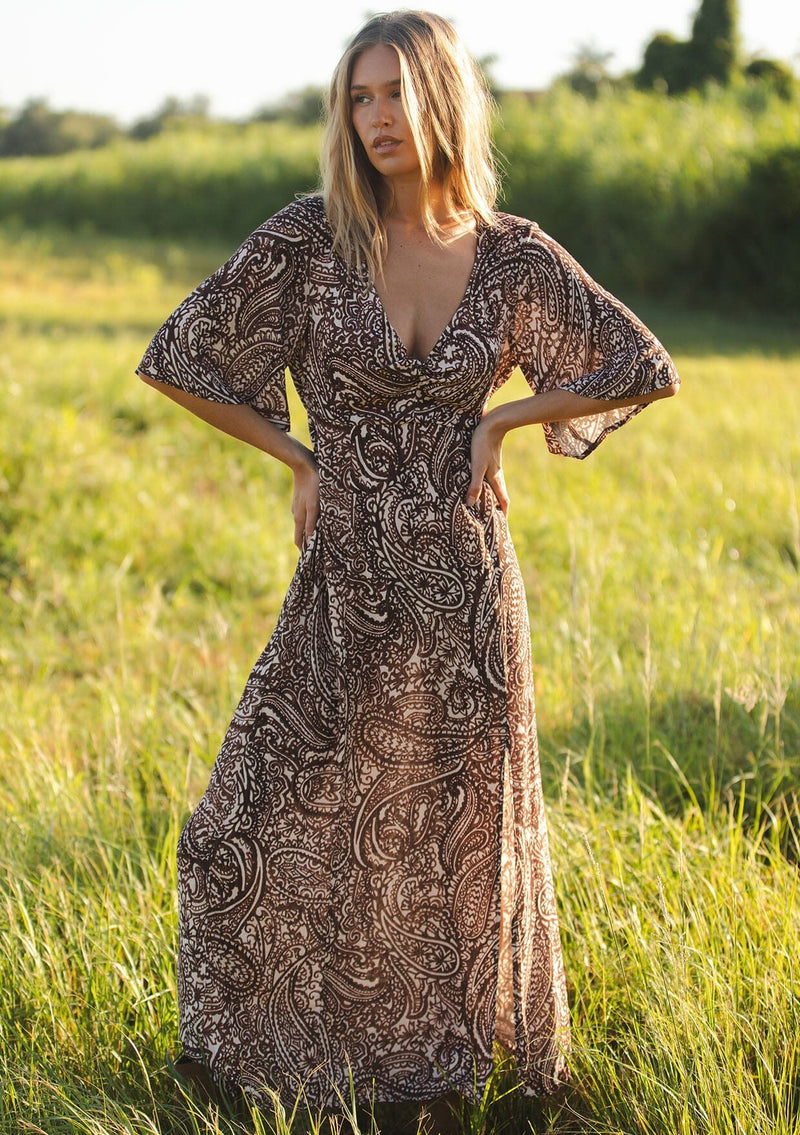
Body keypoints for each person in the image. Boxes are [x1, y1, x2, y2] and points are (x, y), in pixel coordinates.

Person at [136, 8, 680, 1128]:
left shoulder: (512, 253)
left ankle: (430, 1077)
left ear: (445, 100)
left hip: (468, 588)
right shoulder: (307, 240)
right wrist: (298, 455)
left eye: (397, 93)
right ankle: (271, 1055)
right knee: (243, 822)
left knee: (450, 838)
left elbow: (639, 365)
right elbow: (180, 358)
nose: (378, 117)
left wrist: (508, 420)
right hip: (345, 579)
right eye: (359, 97)